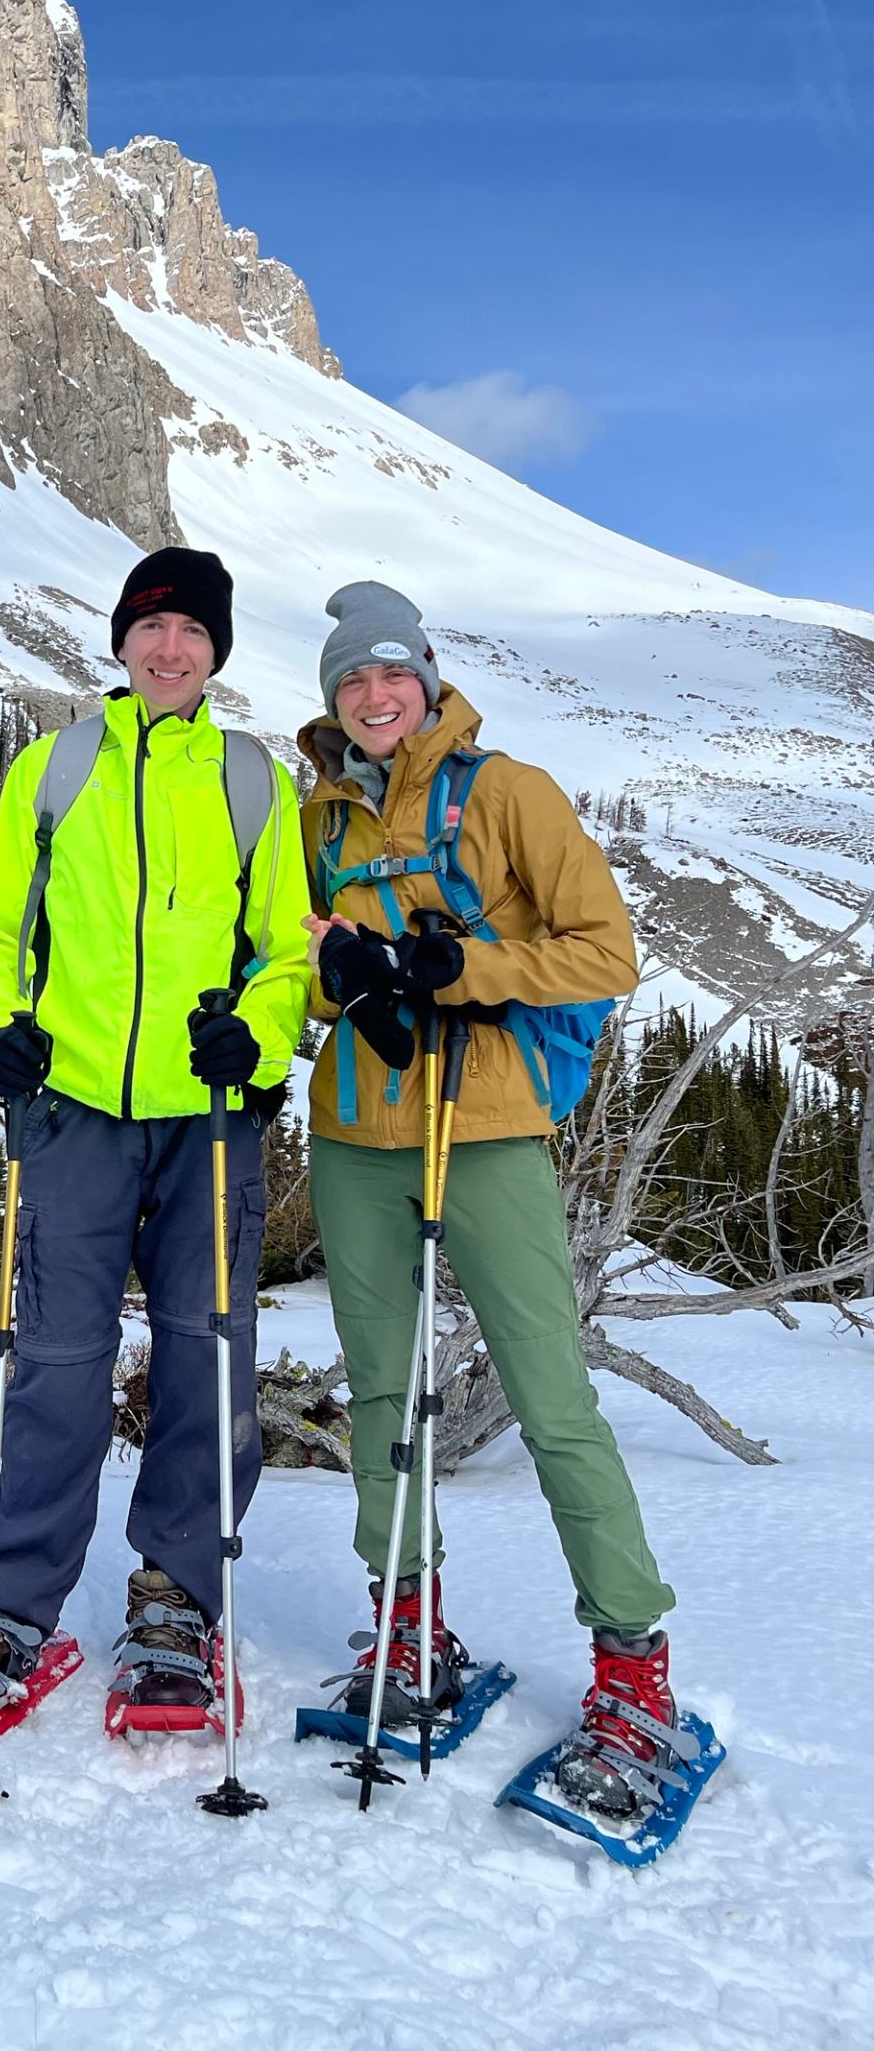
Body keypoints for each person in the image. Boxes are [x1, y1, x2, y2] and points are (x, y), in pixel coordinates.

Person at [299, 579, 682, 1818]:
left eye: (391, 673)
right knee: (377, 1391)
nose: (374, 694)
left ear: (428, 679)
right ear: (335, 699)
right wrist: (337, 975)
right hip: (357, 1132)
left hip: (492, 1127)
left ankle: (634, 1663)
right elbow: (298, 968)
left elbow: (604, 950)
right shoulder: (319, 821)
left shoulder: (508, 791)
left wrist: (467, 963)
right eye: (352, 680)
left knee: (548, 1394)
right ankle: (407, 1627)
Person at [0, 546, 311, 1728]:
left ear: (216, 652)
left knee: (205, 1356)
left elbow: (286, 951)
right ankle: (19, 1605)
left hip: (206, 1120)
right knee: (55, 1361)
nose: (170, 647)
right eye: (152, 627)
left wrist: (256, 1034)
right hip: (75, 1112)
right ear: (122, 644)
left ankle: (177, 1603)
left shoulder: (253, 782)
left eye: (193, 630)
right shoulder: (55, 769)